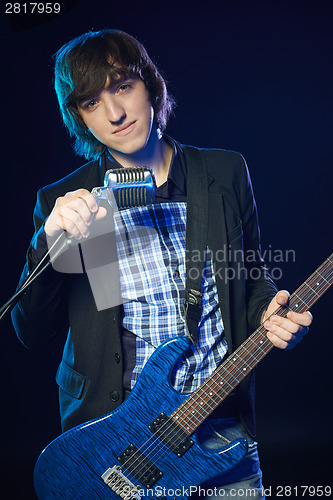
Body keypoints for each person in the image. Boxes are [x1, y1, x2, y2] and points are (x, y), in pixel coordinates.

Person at [11, 29, 312, 499]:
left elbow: (251, 282)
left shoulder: (223, 172)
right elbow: (32, 330)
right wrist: (48, 241)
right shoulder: (68, 202)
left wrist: (271, 316)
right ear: (79, 118)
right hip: (118, 445)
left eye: (122, 86)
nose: (114, 114)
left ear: (151, 85)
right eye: (91, 103)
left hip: (221, 431)